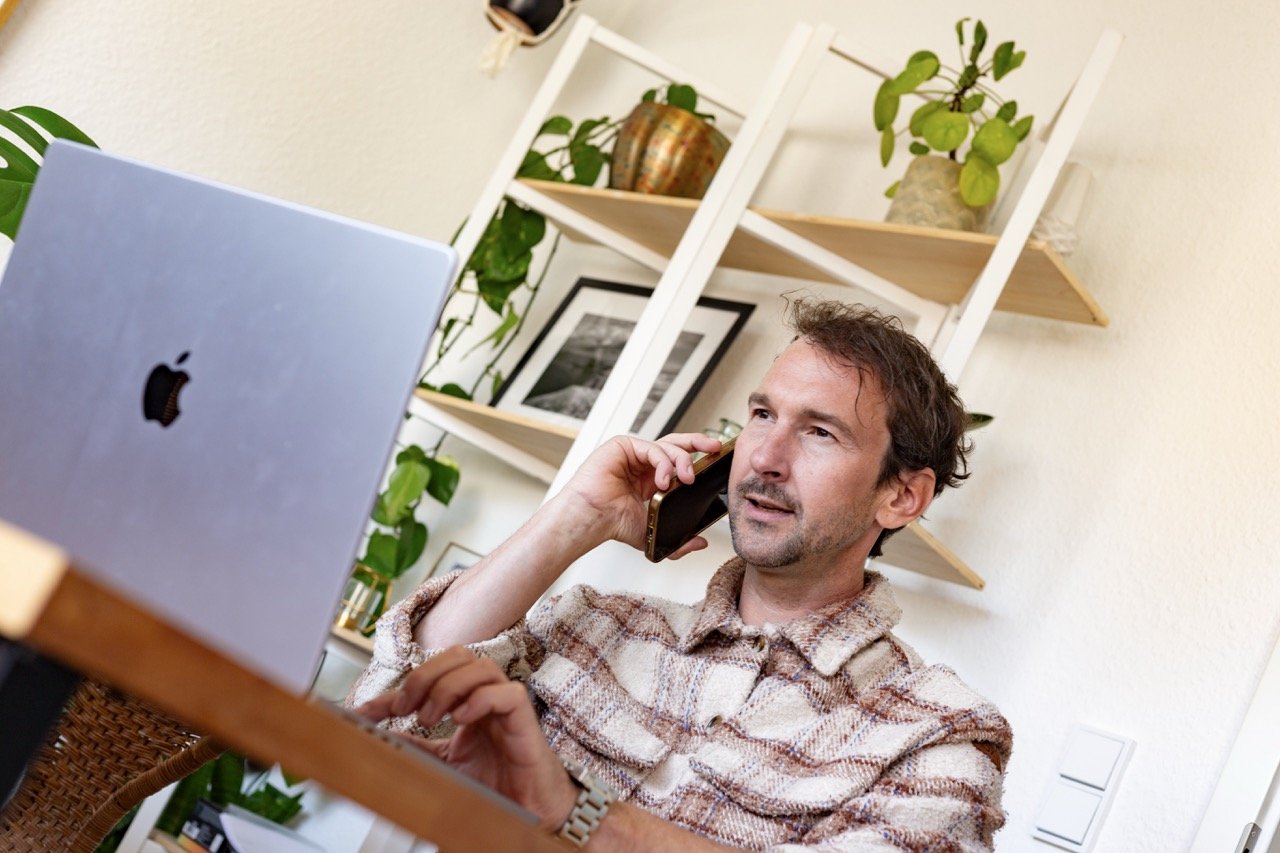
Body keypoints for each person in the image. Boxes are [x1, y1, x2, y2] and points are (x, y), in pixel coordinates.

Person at [351, 298, 1012, 851]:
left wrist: (580, 813)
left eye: (820, 433)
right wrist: (574, 517)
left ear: (901, 495)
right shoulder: (594, 621)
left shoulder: (936, 731)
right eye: (762, 415)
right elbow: (387, 709)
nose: (766, 458)